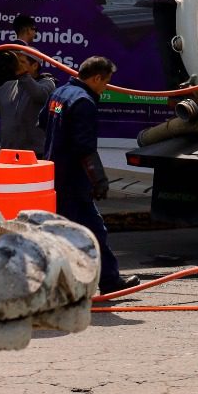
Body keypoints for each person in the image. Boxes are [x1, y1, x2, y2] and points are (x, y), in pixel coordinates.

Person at [42, 56, 138, 294]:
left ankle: (70, 283)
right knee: (87, 232)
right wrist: (100, 180)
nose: (106, 88)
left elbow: (43, 121)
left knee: (68, 231)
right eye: (106, 82)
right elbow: (85, 147)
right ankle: (105, 281)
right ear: (96, 78)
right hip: (73, 180)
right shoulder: (84, 102)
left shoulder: (60, 93)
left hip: (55, 175)